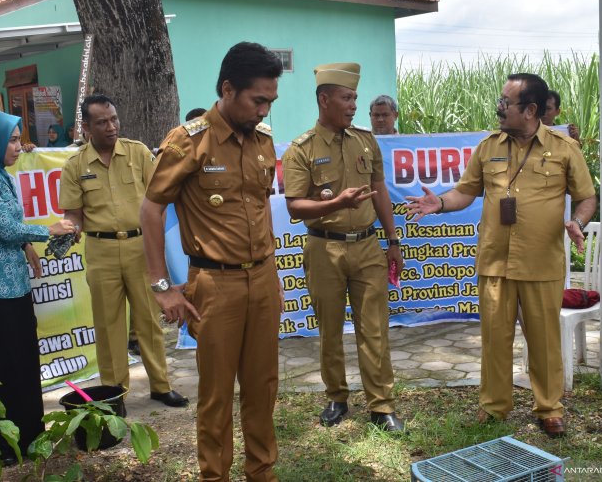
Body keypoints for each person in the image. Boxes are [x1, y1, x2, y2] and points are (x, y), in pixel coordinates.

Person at [406, 73, 596, 437]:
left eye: (506, 103)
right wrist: (440, 203)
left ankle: (549, 408)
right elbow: (465, 192)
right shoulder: (487, 146)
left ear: (530, 110)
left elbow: (587, 196)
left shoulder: (564, 148)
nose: (499, 108)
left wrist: (577, 221)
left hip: (542, 262)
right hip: (495, 260)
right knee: (495, 338)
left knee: (543, 340)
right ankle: (494, 406)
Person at [141, 41, 283, 481]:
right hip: (214, 286)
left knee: (262, 390)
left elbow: (259, 210)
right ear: (227, 88)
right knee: (217, 396)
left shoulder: (263, 142)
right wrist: (163, 286)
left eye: (270, 101)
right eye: (258, 99)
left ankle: (262, 473)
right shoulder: (189, 142)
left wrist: (272, 272)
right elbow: (150, 209)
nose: (264, 109)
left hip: (261, 280)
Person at [282, 63, 405, 432]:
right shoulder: (301, 148)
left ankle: (381, 406)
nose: (354, 105)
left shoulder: (365, 141)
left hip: (368, 246)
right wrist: (336, 204)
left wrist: (393, 239)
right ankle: (337, 398)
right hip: (324, 250)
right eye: (347, 97)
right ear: (324, 99)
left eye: (355, 98)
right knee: (330, 329)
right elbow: (294, 205)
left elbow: (380, 191)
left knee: (375, 329)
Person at [0, 110, 76, 463]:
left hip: (13, 285)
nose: (19, 146)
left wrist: (27, 245)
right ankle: (3, 446)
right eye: (10, 139)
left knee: (23, 362)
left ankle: (30, 437)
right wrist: (47, 230)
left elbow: (9, 227)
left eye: (19, 138)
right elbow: (6, 228)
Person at [58, 94, 187, 407]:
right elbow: (73, 213)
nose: (111, 126)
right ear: (87, 128)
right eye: (102, 122)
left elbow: (157, 199)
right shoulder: (75, 165)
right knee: (109, 325)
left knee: (149, 320)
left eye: (114, 119)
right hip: (101, 250)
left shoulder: (137, 152)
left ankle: (160, 385)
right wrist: (70, 228)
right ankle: (114, 394)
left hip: (139, 247)